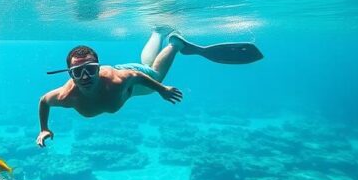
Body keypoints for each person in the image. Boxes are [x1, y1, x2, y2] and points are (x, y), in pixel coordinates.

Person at [36, 27, 263, 147]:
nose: (85, 76)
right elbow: (43, 101)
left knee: (154, 73)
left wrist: (161, 90)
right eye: (78, 72)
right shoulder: (66, 96)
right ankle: (157, 32)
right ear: (71, 75)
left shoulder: (117, 80)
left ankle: (175, 43)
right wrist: (44, 128)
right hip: (129, 90)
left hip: (133, 81)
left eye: (91, 69)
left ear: (98, 68)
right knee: (147, 64)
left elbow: (136, 74)